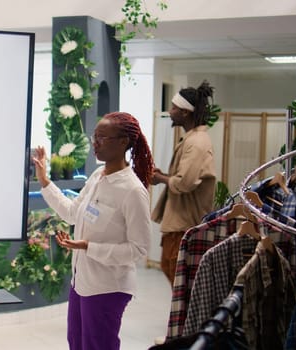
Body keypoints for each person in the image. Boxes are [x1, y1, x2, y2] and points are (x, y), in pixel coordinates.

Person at [32, 112, 154, 350]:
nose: (95, 144)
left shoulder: (132, 191)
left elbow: (139, 249)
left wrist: (89, 247)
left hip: (108, 287)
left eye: (102, 138)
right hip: (82, 283)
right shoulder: (98, 176)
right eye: (94, 137)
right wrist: (44, 180)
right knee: (76, 343)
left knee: (98, 346)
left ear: (123, 142)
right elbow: (71, 213)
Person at [150, 80, 216, 286]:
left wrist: (160, 178)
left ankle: (187, 319)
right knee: (174, 274)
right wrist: (164, 176)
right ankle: (184, 319)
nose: (170, 111)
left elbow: (184, 183)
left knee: (181, 280)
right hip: (181, 224)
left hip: (185, 226)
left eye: (173, 107)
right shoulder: (192, 139)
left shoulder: (196, 143)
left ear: (185, 112)